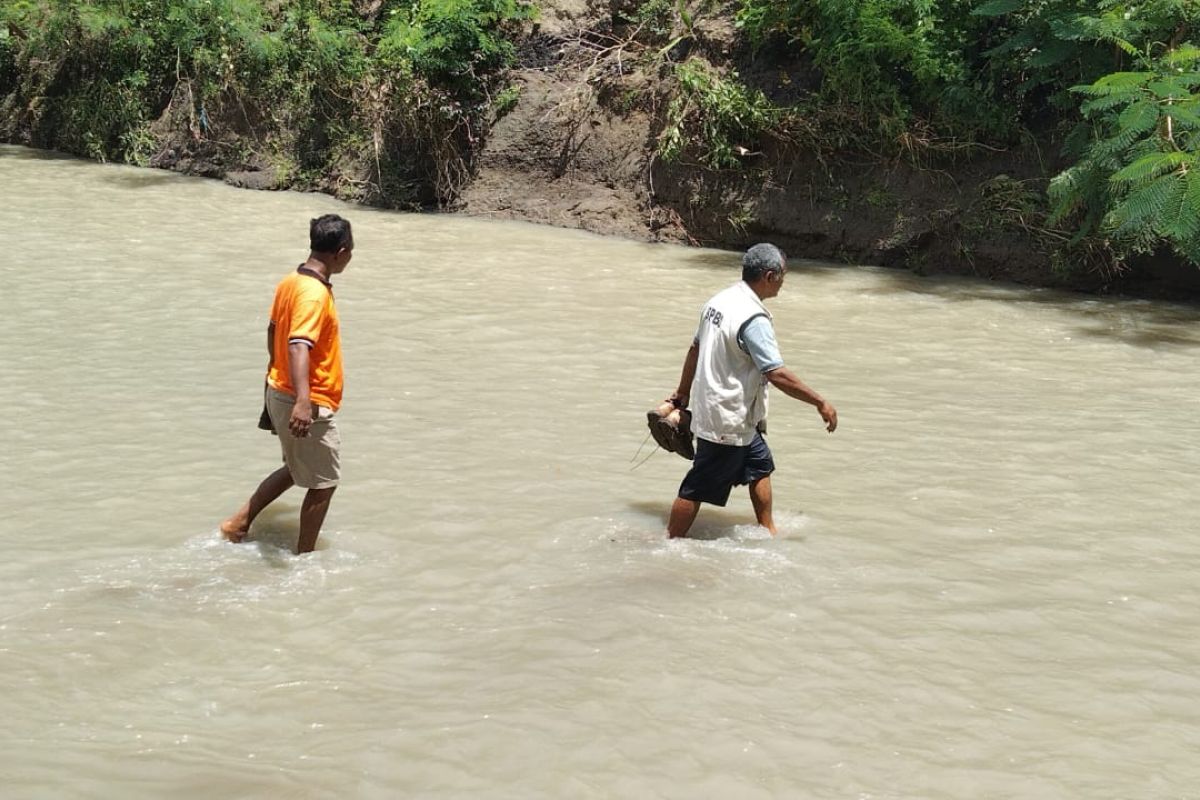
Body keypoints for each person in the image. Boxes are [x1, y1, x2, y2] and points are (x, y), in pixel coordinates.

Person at [664, 243, 837, 538]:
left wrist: (682, 394)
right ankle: (670, 542)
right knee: (698, 485)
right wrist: (820, 402)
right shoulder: (753, 318)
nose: (783, 283)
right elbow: (776, 373)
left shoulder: (718, 301)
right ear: (769, 276)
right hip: (727, 416)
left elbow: (695, 348)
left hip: (728, 411)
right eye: (783, 276)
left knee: (760, 465)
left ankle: (768, 531)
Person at [220, 214, 354, 553]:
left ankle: (237, 525)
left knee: (295, 469)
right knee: (324, 483)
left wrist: (273, 376)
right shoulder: (313, 294)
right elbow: (298, 343)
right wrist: (302, 401)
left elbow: (272, 330)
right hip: (304, 399)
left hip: (279, 389)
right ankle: (305, 557)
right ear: (341, 252)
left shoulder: (291, 281)